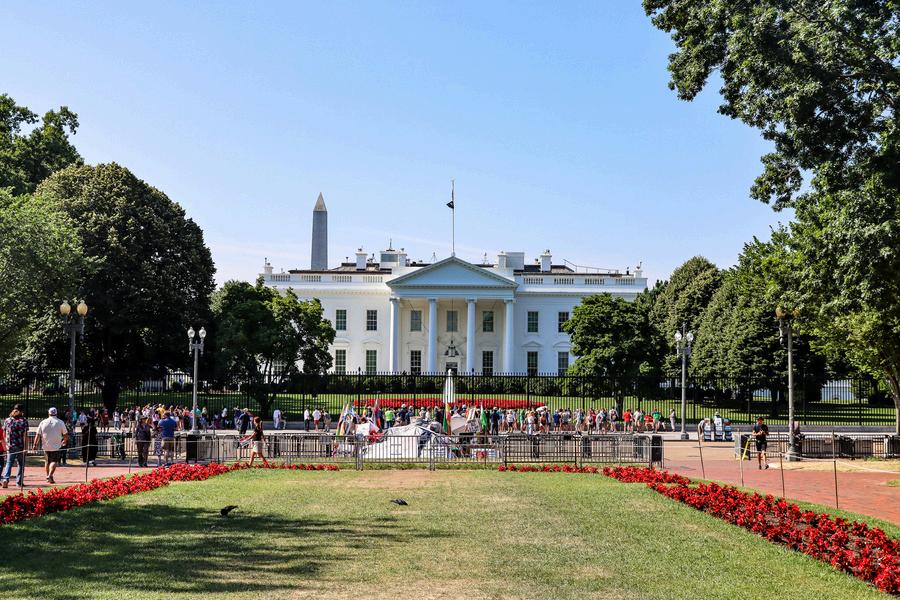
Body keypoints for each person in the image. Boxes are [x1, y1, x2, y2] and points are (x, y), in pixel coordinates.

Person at [33, 407, 68, 484]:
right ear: (56, 413)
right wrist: (64, 441)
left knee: (47, 461)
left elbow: (38, 434)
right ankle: (50, 475)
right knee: (54, 461)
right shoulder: (60, 422)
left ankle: (48, 476)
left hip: (46, 445)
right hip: (56, 445)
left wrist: (35, 444)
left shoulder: (43, 422)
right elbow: (65, 434)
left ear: (48, 413)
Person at [2, 404, 29, 489]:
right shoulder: (23, 421)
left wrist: (6, 444)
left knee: (9, 463)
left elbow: (4, 433)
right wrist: (26, 448)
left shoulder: (7, 420)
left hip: (10, 445)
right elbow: (25, 435)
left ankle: (6, 479)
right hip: (20, 446)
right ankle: (19, 482)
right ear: (22, 411)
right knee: (21, 464)